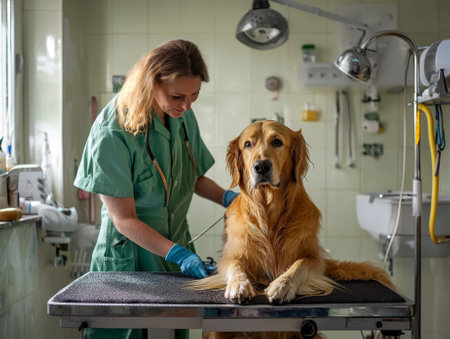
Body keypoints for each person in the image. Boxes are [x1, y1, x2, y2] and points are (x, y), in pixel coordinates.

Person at [74, 39, 238, 339]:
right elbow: (123, 219)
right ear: (150, 84)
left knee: (171, 332)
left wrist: (229, 198)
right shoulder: (112, 131)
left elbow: (194, 177)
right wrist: (179, 254)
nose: (187, 105)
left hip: (175, 251)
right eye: (177, 96)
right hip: (129, 260)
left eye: (194, 95)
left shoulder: (181, 114)